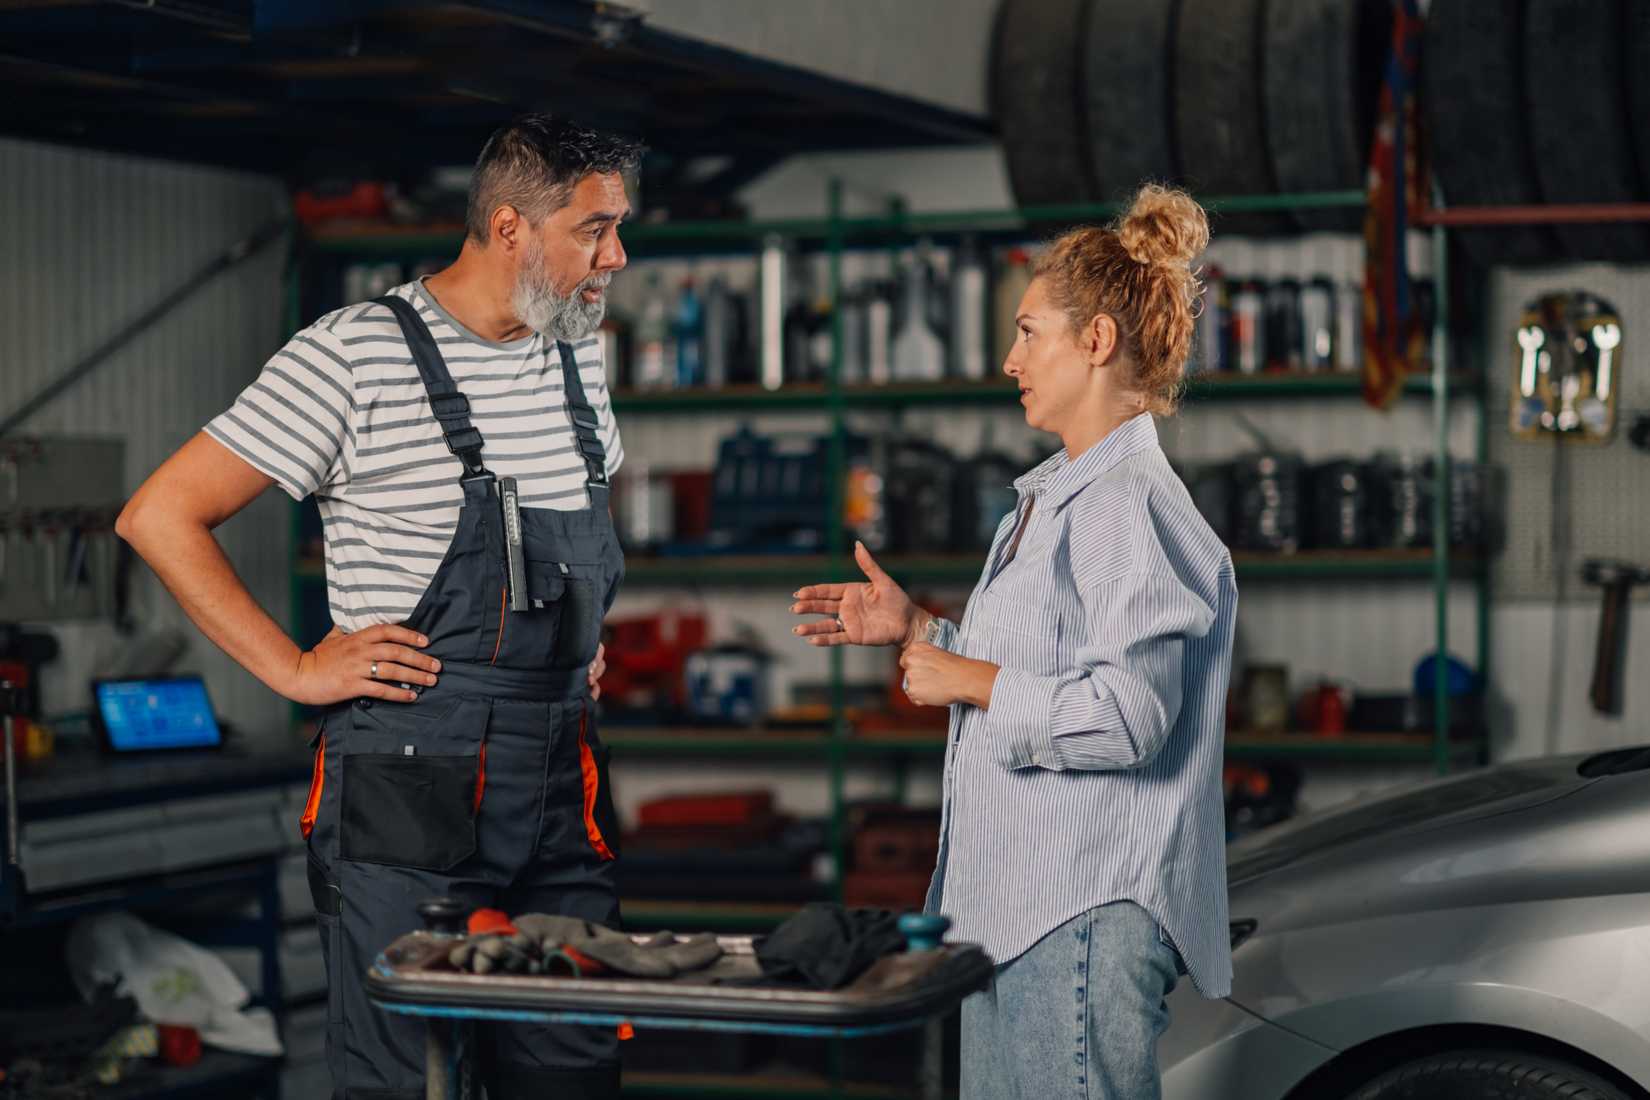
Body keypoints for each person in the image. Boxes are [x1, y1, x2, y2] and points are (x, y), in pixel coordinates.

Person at [116, 115, 641, 1100]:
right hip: (412, 779)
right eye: (594, 228)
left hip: (560, 773)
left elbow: (571, 534)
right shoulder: (356, 353)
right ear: (510, 228)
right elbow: (161, 513)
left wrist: (579, 639)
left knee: (571, 1065)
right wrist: (293, 666)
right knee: (412, 1075)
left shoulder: (578, 357)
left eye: (620, 228)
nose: (617, 254)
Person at [790, 185, 1236, 1099]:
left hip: (1078, 919)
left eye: (1030, 332)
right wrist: (921, 633)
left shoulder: (1127, 509)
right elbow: (1050, 670)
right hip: (1022, 917)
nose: (1009, 358)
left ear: (1097, 341)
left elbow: (1127, 717)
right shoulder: (1060, 499)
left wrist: (971, 674)